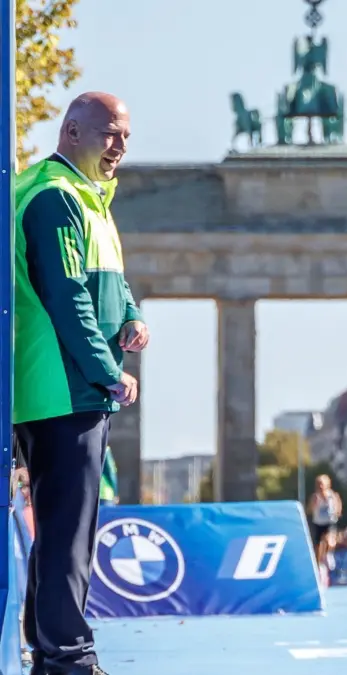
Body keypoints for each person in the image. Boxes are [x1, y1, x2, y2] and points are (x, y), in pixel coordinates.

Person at [13, 91, 147, 675]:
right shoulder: (57, 197)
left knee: (57, 533)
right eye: (108, 133)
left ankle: (50, 652)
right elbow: (67, 297)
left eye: (123, 137)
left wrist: (132, 315)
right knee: (69, 536)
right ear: (71, 132)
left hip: (54, 386)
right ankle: (69, 658)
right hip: (63, 388)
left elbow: (105, 285)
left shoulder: (85, 197)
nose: (118, 146)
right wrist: (107, 372)